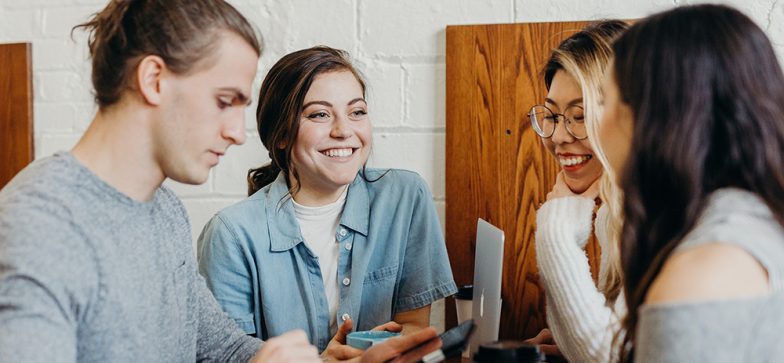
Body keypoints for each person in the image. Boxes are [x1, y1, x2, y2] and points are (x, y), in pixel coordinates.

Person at [0, 1, 441, 362]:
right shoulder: (38, 226)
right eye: (224, 101)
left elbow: (221, 348)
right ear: (153, 79)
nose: (236, 132)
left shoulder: (163, 210)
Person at [197, 45, 457, 360]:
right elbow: (227, 355)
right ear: (281, 135)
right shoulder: (231, 234)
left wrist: (378, 351)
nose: (344, 130)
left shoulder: (405, 197)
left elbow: (414, 326)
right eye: (320, 114)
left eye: (357, 112)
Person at [599, 4, 784, 361]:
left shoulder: (702, 273)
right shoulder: (759, 224)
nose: (597, 126)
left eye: (604, 101)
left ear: (653, 119)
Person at [524, 20, 629, 362]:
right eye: (552, 115)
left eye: (579, 116)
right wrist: (569, 342)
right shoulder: (618, 212)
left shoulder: (665, 213)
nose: (557, 137)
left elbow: (608, 357)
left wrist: (555, 232)